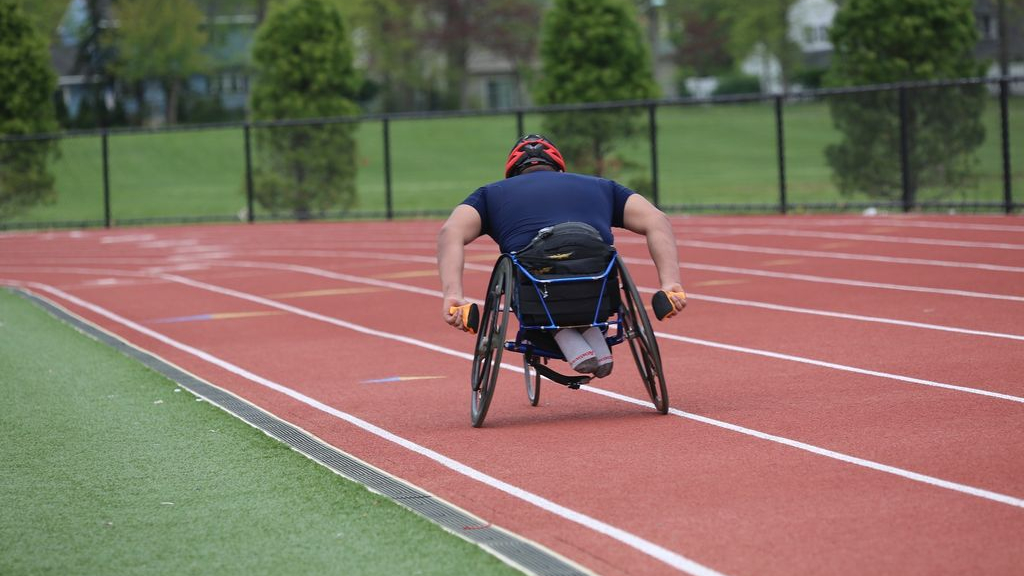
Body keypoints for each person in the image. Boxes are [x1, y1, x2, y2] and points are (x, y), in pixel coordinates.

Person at [437, 134, 686, 377]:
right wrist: (670, 283)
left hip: (537, 293)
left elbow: (451, 232)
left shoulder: (490, 194)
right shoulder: (601, 186)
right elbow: (657, 220)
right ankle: (590, 334)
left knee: (522, 268)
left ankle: (564, 336)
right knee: (589, 261)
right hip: (597, 290)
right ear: (559, 169)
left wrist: (453, 295)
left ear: (512, 174)